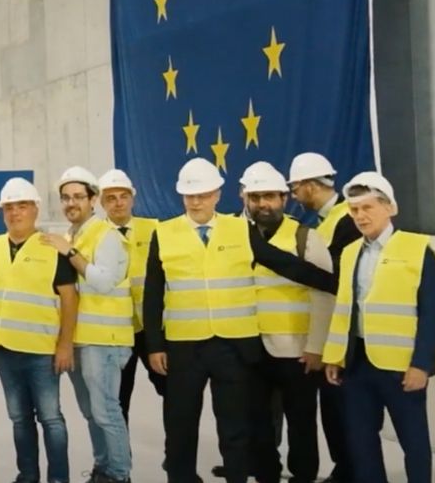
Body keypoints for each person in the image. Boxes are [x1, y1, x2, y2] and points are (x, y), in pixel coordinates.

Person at [143, 158, 335, 483]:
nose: (196, 201)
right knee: (180, 423)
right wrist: (154, 345)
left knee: (235, 425)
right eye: (190, 195)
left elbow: (283, 263)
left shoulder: (240, 230)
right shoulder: (163, 233)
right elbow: (153, 294)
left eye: (203, 194)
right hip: (184, 346)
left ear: (218, 194)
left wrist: (337, 284)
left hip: (233, 347)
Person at [323, 172, 435, 483]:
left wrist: (421, 365)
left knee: (414, 441)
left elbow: (431, 313)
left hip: (400, 366)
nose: (360, 216)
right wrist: (335, 356)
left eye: (367, 208)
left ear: (390, 208)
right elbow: (344, 309)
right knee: (361, 442)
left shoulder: (417, 249)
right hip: (357, 364)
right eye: (354, 209)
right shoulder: (350, 252)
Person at [235, 162, 335, 483]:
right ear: (245, 199)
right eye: (255, 197)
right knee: (257, 421)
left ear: (284, 198)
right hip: (251, 348)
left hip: (297, 349)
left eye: (269, 196)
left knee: (301, 420)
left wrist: (316, 347)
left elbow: (325, 295)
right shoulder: (234, 238)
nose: (262, 204)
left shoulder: (305, 237)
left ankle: (303, 475)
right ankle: (267, 474)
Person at [41, 166, 133, 483]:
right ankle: (103, 468)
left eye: (78, 196)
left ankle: (119, 474)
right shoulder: (72, 236)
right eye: (66, 197)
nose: (71, 203)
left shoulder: (106, 235)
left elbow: (103, 282)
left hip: (104, 339)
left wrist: (70, 253)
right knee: (91, 412)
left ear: (93, 200)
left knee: (106, 410)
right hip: (80, 339)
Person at [0, 177, 75, 483]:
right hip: (4, 349)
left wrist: (65, 345)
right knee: (20, 419)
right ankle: (28, 476)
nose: (15, 212)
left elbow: (70, 298)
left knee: (51, 418)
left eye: (22, 206)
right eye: (9, 207)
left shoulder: (52, 247)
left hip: (42, 351)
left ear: (35, 209)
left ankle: (58, 479)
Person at [288, 151, 360, 482]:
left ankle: (351, 471)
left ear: (310, 186)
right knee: (332, 409)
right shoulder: (326, 221)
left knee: (342, 409)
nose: (294, 196)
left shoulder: (347, 220)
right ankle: (344, 469)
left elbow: (339, 279)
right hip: (329, 330)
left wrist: (293, 268)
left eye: (295, 188)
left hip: (344, 333)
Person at [95, 169, 163, 425]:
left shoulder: (155, 229)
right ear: (101, 203)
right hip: (116, 330)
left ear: (133, 199)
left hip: (152, 328)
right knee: (117, 399)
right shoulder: (94, 235)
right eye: (111, 198)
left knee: (172, 389)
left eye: (123, 196)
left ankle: (176, 449)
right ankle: (120, 451)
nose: (118, 203)